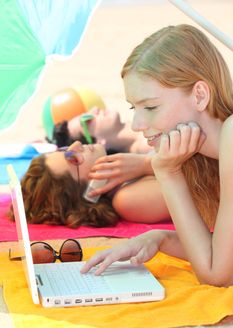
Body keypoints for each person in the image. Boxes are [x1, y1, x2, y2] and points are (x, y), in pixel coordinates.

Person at [81, 24, 233, 287]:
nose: (137, 124)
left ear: (199, 95)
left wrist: (167, 172)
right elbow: (226, 258)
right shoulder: (207, 160)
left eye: (150, 107)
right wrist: (159, 239)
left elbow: (217, 274)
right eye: (134, 107)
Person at [8, 140, 170, 227]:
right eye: (73, 158)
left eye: (65, 149)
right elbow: (193, 180)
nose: (77, 144)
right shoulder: (128, 200)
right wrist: (146, 164)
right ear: (90, 193)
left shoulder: (131, 176)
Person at [52, 107, 151, 154]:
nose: (94, 109)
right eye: (87, 120)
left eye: (86, 113)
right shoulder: (148, 145)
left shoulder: (142, 121)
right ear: (98, 143)